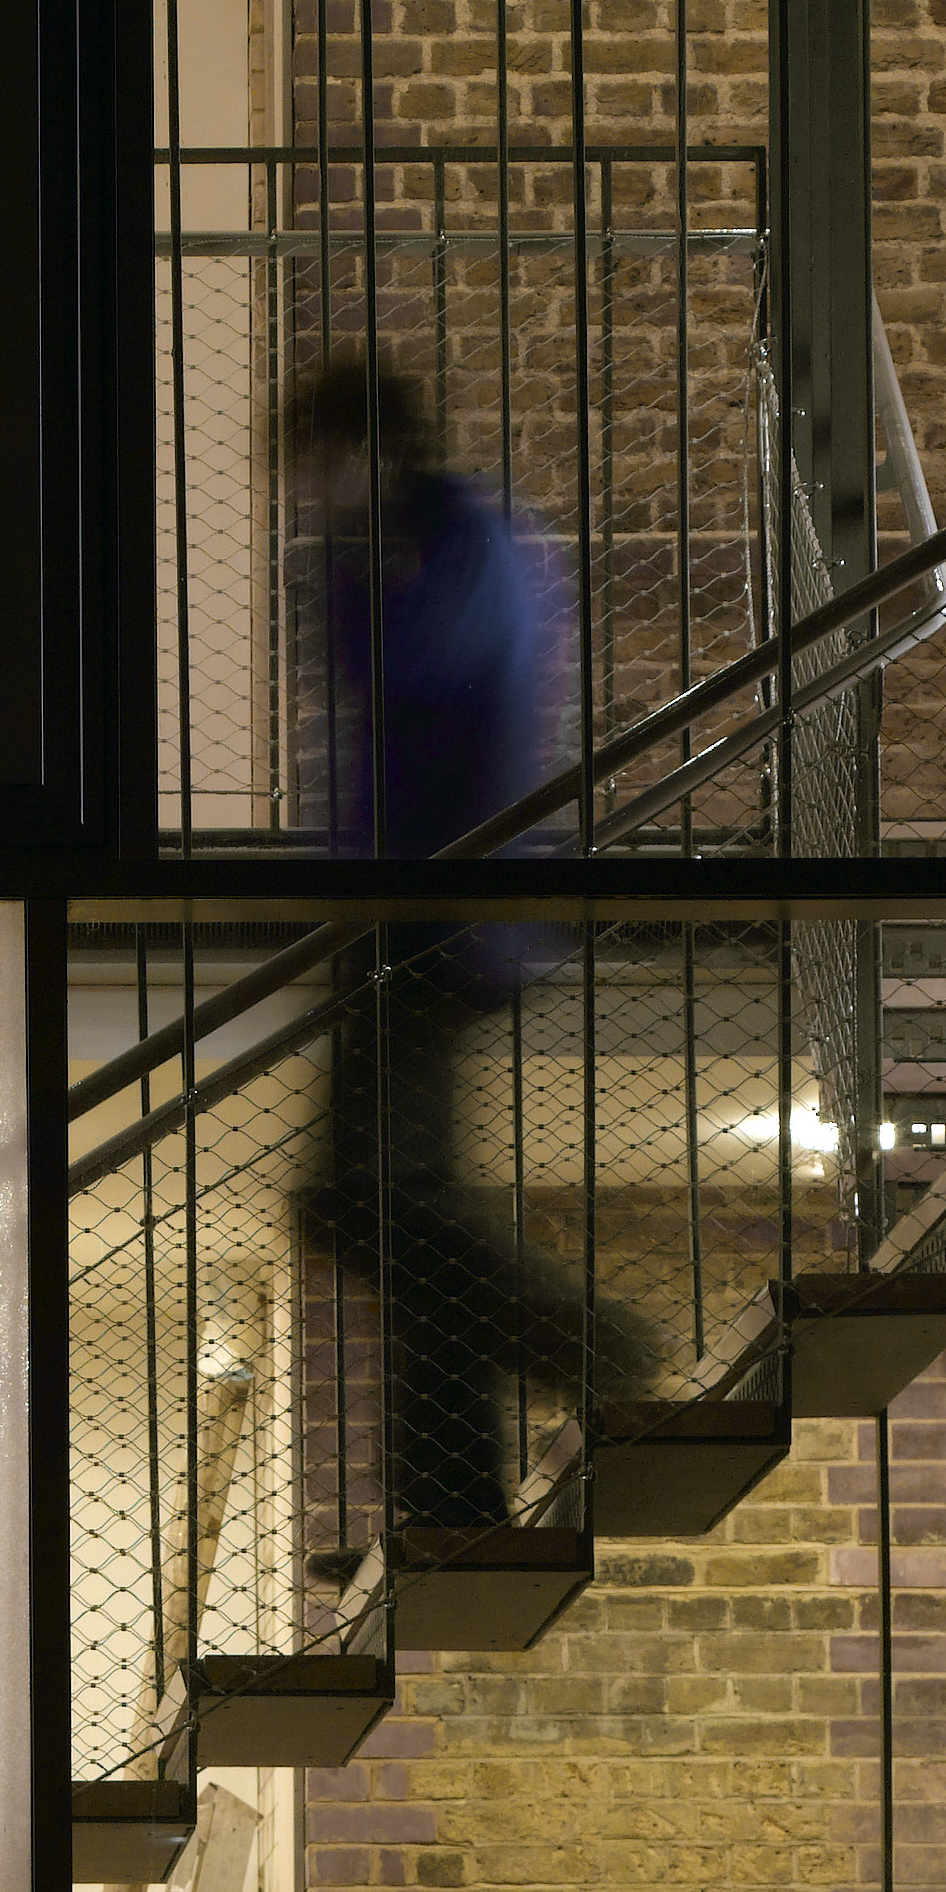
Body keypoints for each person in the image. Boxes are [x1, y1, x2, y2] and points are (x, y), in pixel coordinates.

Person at [287, 352, 666, 1532]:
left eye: (317, 469)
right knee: (408, 1203)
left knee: (356, 1205)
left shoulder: (458, 546)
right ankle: (448, 1498)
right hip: (427, 914)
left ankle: (599, 1343)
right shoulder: (455, 540)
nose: (311, 499)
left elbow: (416, 682)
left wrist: (346, 583)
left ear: (363, 449)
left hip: (439, 916)